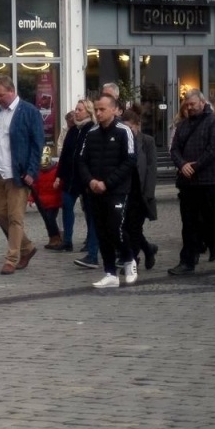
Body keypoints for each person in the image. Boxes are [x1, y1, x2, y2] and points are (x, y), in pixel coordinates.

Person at [167, 89, 215, 276]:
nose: (189, 107)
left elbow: (214, 149)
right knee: (188, 223)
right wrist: (182, 165)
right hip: (187, 183)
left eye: (192, 104)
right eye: (187, 105)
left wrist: (194, 166)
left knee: (214, 221)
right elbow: (174, 149)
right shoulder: (183, 125)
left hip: (208, 181)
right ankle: (187, 260)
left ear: (202, 103)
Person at [0, 75, 45, 275]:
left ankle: (11, 258)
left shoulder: (29, 112)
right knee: (1, 214)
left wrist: (31, 171)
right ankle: (27, 247)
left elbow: (38, 144)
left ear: (11, 91)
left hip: (17, 173)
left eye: (1, 95)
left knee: (15, 217)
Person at [78, 93, 139, 289]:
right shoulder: (92, 133)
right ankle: (110, 272)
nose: (98, 113)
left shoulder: (123, 131)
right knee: (102, 232)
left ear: (114, 109)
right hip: (95, 191)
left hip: (117, 190)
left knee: (116, 228)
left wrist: (108, 182)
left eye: (102, 109)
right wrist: (91, 181)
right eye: (96, 109)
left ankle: (129, 258)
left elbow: (130, 160)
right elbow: (81, 160)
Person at [56, 98, 100, 267]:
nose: (76, 111)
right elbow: (65, 154)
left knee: (89, 210)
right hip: (70, 177)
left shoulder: (92, 130)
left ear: (88, 112)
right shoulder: (73, 130)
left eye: (80, 109)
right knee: (67, 205)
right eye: (76, 109)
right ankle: (67, 240)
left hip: (85, 178)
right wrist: (59, 175)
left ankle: (90, 242)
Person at [122, 104, 159, 269]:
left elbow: (151, 169)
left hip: (141, 193)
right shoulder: (122, 141)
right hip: (126, 191)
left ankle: (133, 259)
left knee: (135, 228)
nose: (128, 130)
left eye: (130, 127)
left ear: (137, 126)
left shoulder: (147, 141)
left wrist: (149, 193)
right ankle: (148, 249)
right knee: (127, 228)